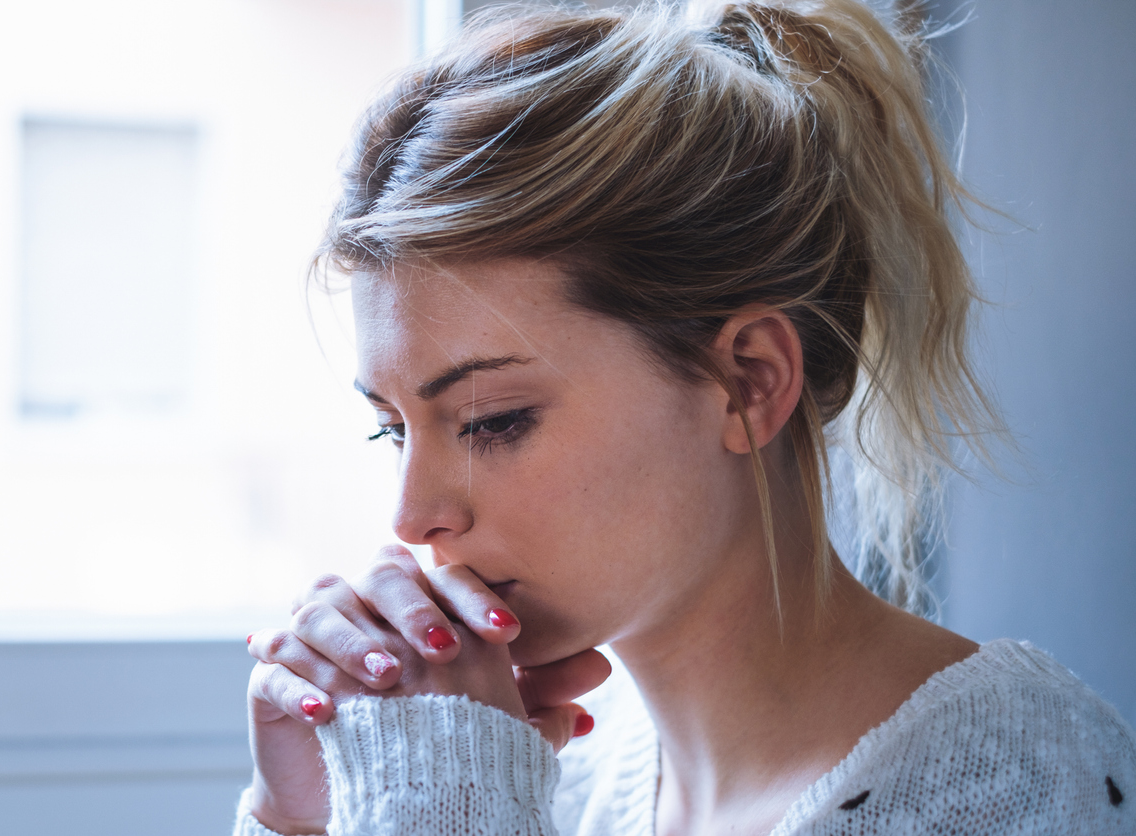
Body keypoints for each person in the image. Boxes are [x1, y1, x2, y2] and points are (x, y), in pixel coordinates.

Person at [234, 2, 1136, 834]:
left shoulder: (1027, 788)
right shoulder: (550, 766)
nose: (411, 516)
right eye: (391, 429)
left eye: (491, 421)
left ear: (748, 381)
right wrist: (306, 820)